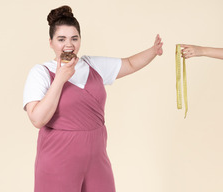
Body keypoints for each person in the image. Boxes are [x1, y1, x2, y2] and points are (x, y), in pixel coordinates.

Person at [23, 5, 163, 192]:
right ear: (50, 42)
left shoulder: (92, 65)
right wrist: (60, 78)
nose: (69, 44)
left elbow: (129, 63)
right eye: (61, 39)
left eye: (74, 38)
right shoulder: (41, 72)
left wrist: (153, 51)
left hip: (96, 158)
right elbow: (37, 119)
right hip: (58, 159)